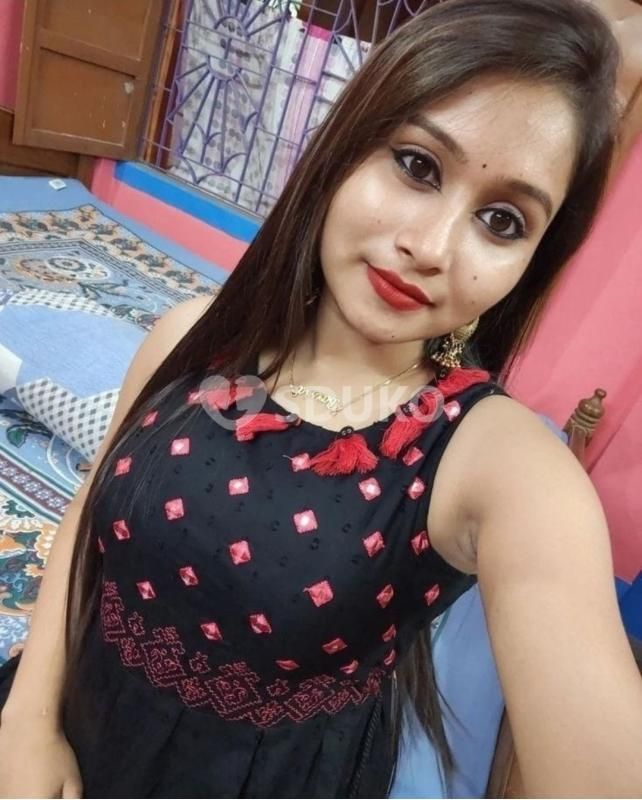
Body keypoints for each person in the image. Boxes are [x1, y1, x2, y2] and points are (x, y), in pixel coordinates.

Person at [1, 0, 642, 796]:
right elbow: (89, 511)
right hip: (65, 735)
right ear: (346, 147)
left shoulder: (495, 464)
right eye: (417, 165)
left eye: (502, 221)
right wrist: (27, 721)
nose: (430, 248)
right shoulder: (188, 339)